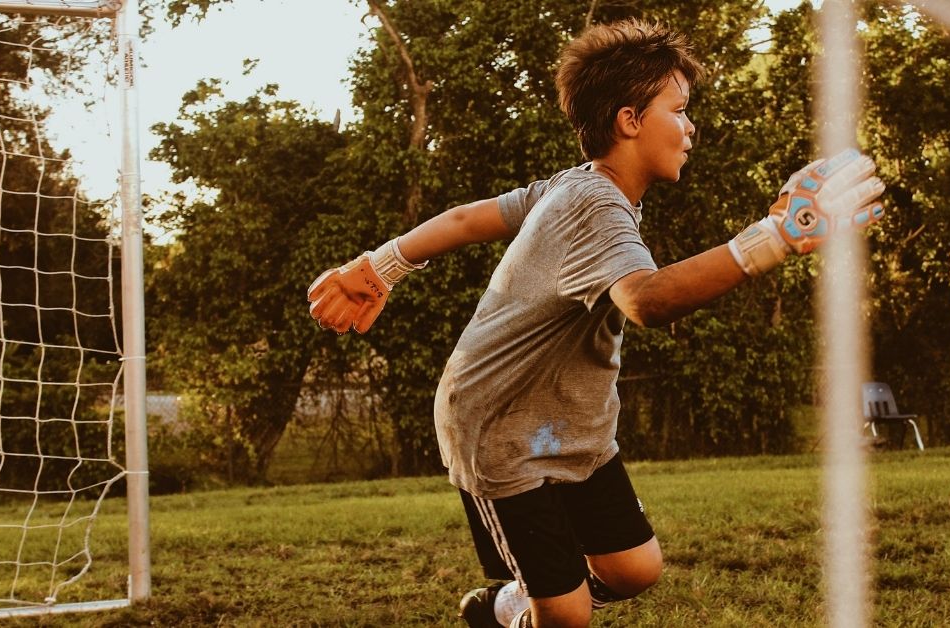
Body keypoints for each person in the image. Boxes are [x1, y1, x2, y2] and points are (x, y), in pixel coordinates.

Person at [306, 18, 884, 628]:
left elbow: (468, 217)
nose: (690, 127)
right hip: (502, 433)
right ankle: (517, 611)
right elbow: (648, 301)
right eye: (679, 110)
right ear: (630, 121)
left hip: (567, 430)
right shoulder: (593, 204)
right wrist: (773, 239)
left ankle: (508, 605)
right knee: (568, 617)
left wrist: (381, 266)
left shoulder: (574, 187)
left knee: (635, 570)